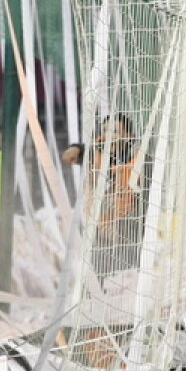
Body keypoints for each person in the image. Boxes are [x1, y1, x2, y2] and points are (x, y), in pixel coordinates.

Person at [61, 115, 144, 273]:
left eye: (115, 132)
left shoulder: (140, 161)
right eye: (105, 130)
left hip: (129, 235)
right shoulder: (97, 153)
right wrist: (75, 149)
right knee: (99, 277)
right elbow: (84, 150)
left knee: (127, 278)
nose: (109, 136)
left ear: (129, 136)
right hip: (100, 234)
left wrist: (122, 227)